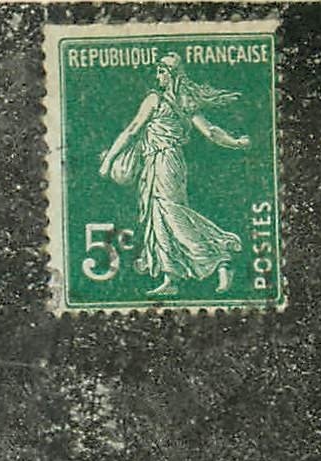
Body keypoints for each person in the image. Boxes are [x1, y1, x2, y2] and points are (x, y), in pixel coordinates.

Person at [98, 53, 251, 296]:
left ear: (172, 75)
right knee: (157, 217)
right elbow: (211, 132)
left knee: (171, 213)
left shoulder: (155, 99)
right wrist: (236, 142)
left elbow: (132, 130)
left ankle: (221, 257)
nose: (157, 76)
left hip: (165, 162)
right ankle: (171, 278)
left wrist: (108, 161)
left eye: (161, 71)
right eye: (157, 70)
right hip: (159, 163)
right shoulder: (184, 102)